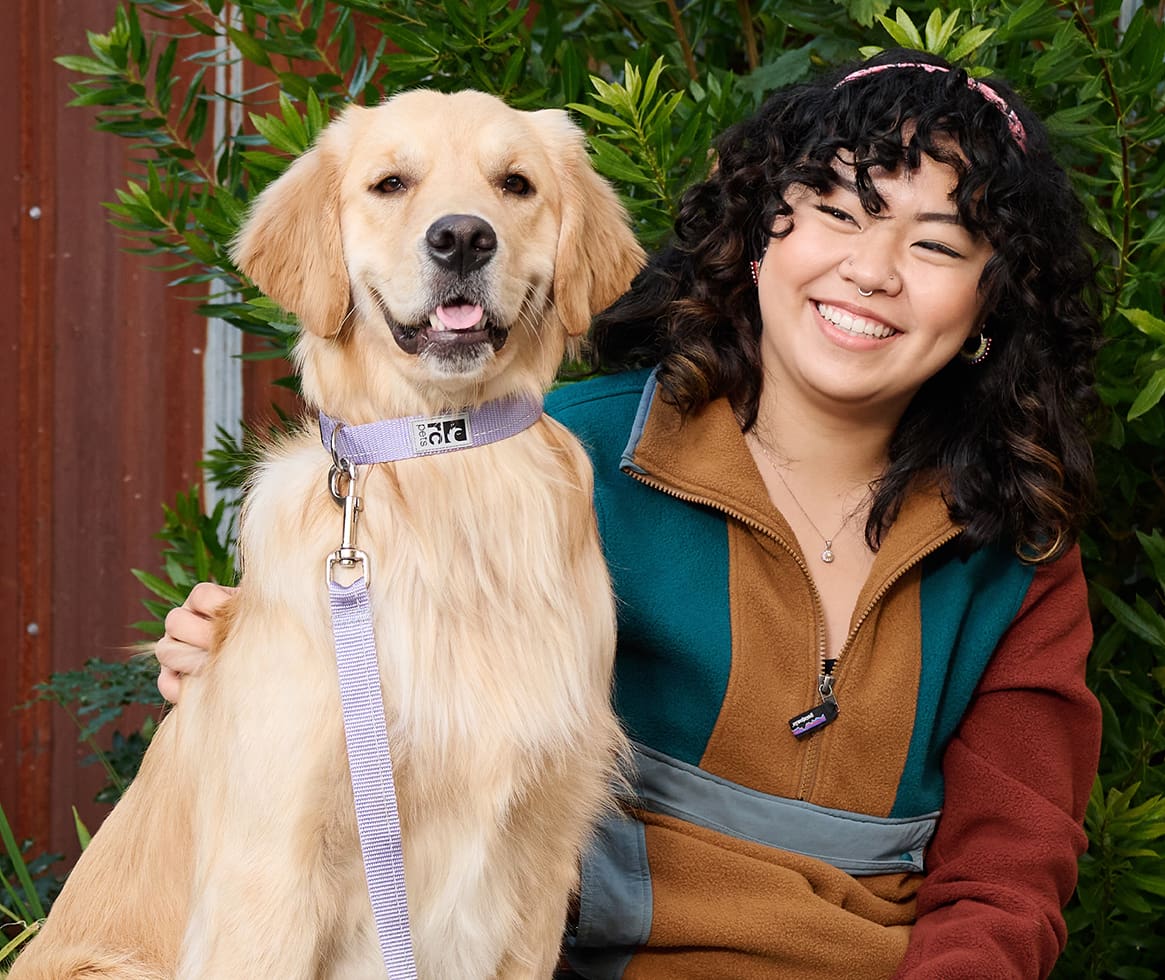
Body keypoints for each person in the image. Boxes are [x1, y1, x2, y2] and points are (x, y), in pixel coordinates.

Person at [157, 49, 1102, 979]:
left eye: (935, 243)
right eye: (838, 213)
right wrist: (246, 644)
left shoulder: (1014, 557)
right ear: (760, 232)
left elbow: (1004, 884)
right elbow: (380, 781)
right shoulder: (540, 464)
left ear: (991, 303)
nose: (872, 269)